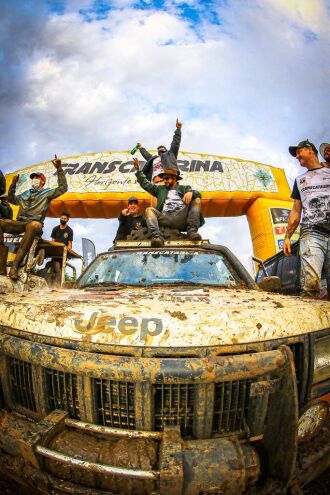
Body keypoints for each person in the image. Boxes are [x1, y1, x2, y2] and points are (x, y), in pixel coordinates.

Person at [0, 156, 68, 280]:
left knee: (34, 225)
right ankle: (1, 267)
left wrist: (59, 169)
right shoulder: (25, 193)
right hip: (20, 222)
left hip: (34, 224)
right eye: (34, 178)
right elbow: (12, 200)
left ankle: (14, 267)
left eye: (37, 178)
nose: (35, 180)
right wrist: (13, 185)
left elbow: (63, 188)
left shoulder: (47, 193)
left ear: (42, 181)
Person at [283, 139, 330, 299]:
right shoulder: (300, 181)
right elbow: (296, 211)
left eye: (298, 152)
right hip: (312, 233)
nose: (296, 157)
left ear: (310, 149)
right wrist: (287, 237)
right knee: (310, 286)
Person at [133, 157, 204, 247]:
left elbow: (198, 194)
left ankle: (192, 231)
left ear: (175, 178)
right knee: (149, 210)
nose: (164, 180)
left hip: (181, 216)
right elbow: (145, 184)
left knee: (197, 199)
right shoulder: (159, 189)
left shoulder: (185, 188)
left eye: (167, 178)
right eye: (163, 178)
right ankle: (157, 236)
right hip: (165, 217)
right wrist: (138, 171)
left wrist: (191, 192)